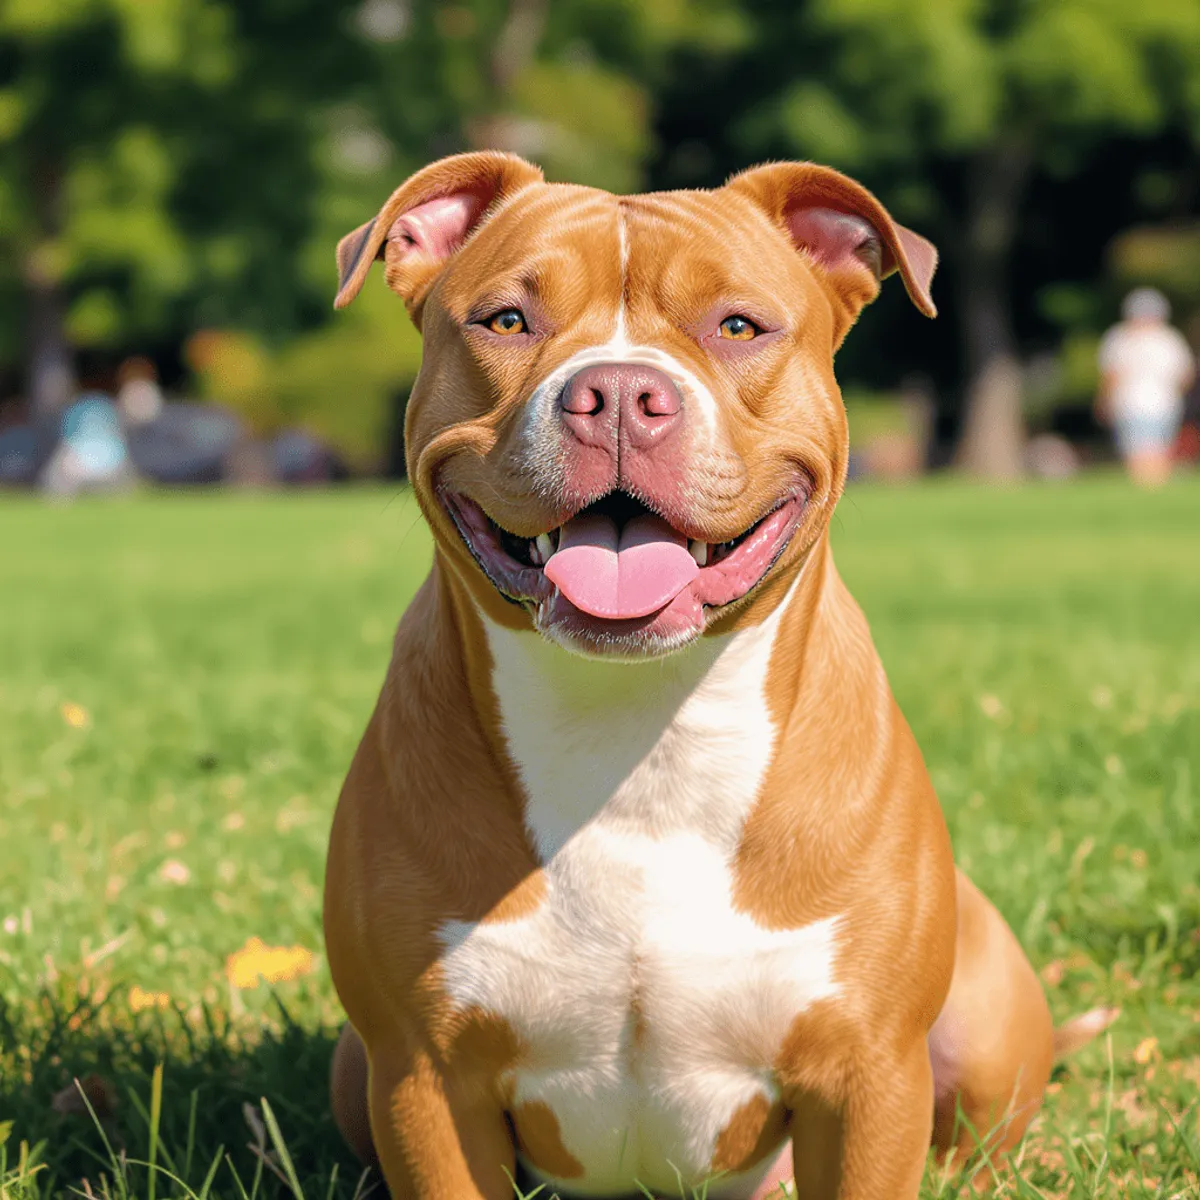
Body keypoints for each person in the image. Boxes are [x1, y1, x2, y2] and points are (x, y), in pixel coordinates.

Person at [1096, 287, 1196, 487]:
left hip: (1132, 404)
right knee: (1156, 451)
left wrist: (1104, 400)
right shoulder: (1170, 339)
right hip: (1163, 404)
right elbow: (1185, 376)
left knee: (1139, 452)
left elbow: (1112, 376)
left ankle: (1147, 491)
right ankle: (1154, 490)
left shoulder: (1119, 339)